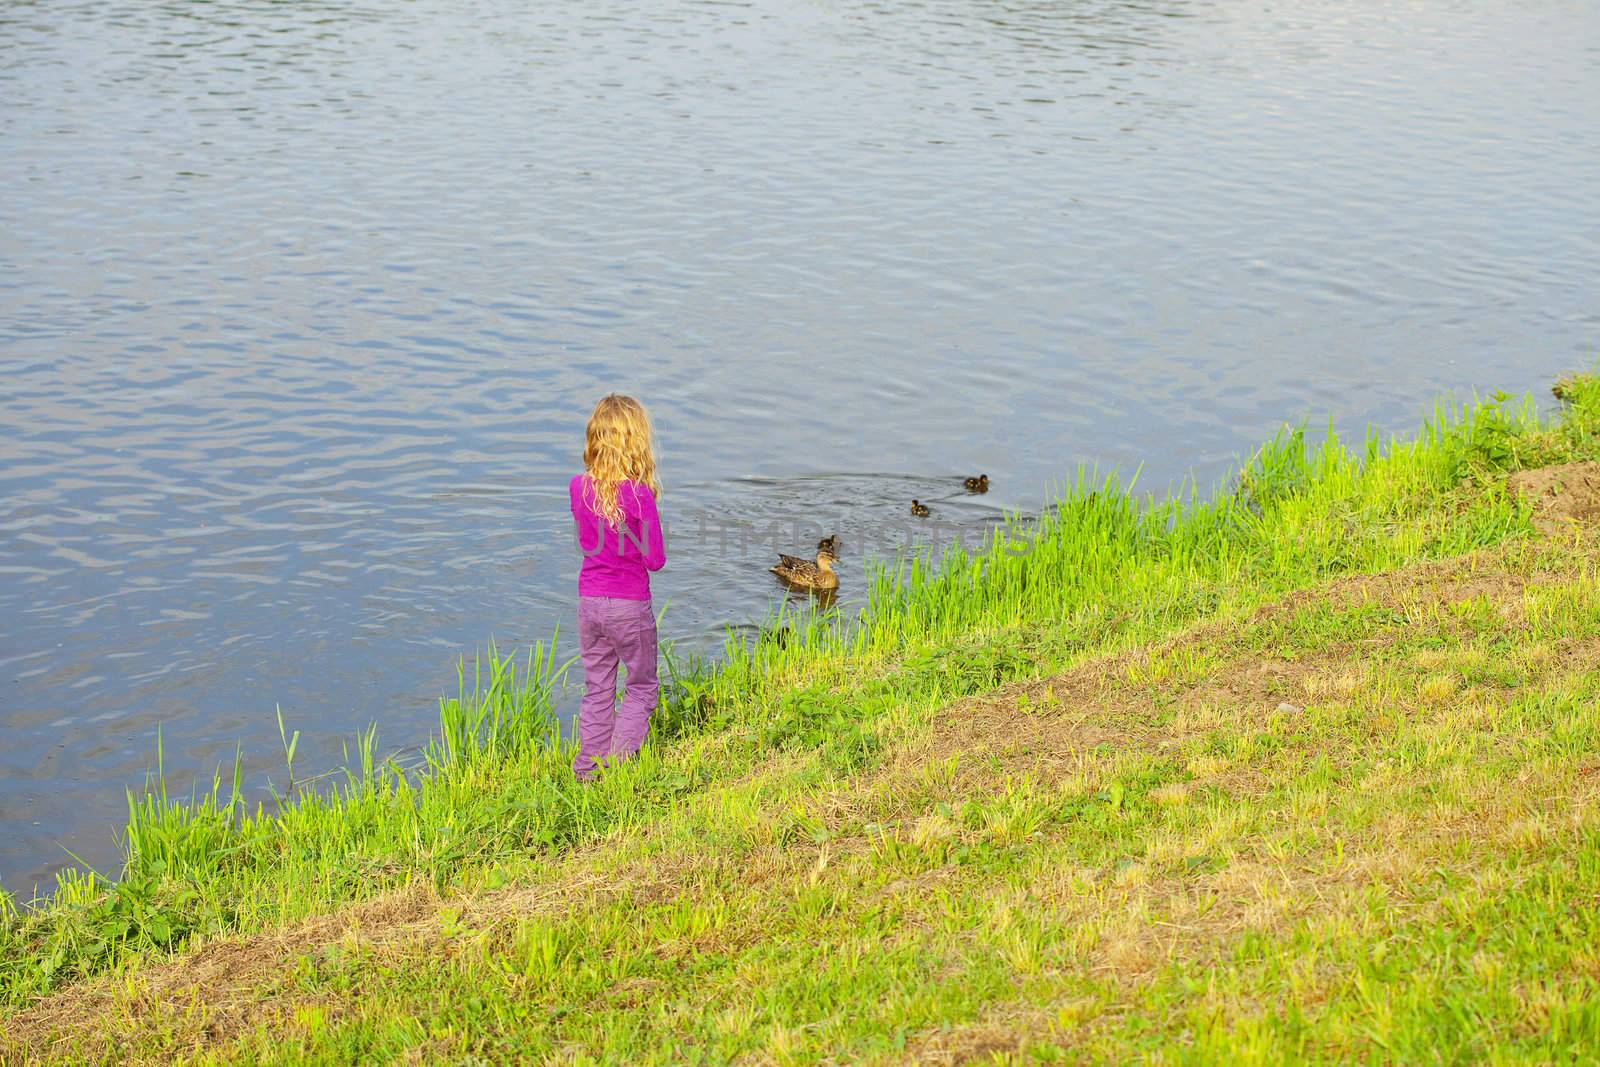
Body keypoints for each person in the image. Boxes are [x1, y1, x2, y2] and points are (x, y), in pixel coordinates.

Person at [568, 394, 666, 781]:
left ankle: (586, 772)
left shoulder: (578, 487)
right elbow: (655, 560)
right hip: (628, 606)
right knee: (642, 688)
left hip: (589, 603)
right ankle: (617, 770)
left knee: (597, 690)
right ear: (637, 442)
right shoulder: (640, 497)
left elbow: (588, 540)